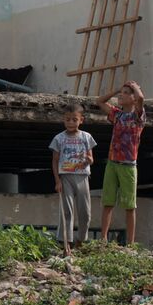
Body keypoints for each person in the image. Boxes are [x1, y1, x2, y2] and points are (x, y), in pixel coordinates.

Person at [96, 80, 146, 245]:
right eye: (121, 92)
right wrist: (117, 88)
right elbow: (99, 101)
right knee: (108, 202)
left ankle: (130, 243)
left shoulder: (138, 116)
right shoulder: (117, 114)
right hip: (112, 163)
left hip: (128, 165)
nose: (121, 95)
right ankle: (103, 239)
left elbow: (141, 98)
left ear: (133, 98)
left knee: (130, 206)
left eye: (125, 93)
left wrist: (135, 87)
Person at [49, 102, 96, 255]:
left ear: (81, 120)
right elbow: (55, 160)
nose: (71, 122)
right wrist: (57, 181)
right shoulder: (59, 138)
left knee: (85, 212)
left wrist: (87, 160)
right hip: (65, 177)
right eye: (68, 119)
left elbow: (91, 158)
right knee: (67, 211)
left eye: (74, 119)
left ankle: (80, 241)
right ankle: (66, 244)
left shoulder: (86, 137)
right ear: (64, 120)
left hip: (82, 177)